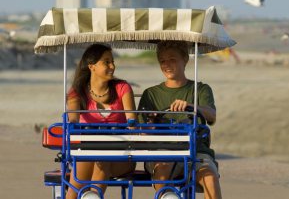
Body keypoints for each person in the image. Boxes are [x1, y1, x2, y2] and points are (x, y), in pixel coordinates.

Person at [138, 41, 222, 199]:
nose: (167, 65)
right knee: (163, 165)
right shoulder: (150, 94)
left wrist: (191, 106)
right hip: (161, 152)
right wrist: (152, 124)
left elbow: (211, 115)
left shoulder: (201, 89)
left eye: (172, 59)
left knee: (209, 176)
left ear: (185, 59)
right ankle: (167, 195)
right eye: (162, 61)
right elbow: (141, 132)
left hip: (196, 151)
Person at [66, 44, 137, 199]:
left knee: (102, 158)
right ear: (92, 66)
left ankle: (94, 195)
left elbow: (131, 119)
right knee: (74, 189)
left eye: (112, 61)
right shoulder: (76, 92)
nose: (112, 66)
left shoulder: (122, 88)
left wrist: (131, 124)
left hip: (123, 154)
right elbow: (73, 117)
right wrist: (74, 123)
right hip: (89, 151)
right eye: (106, 62)